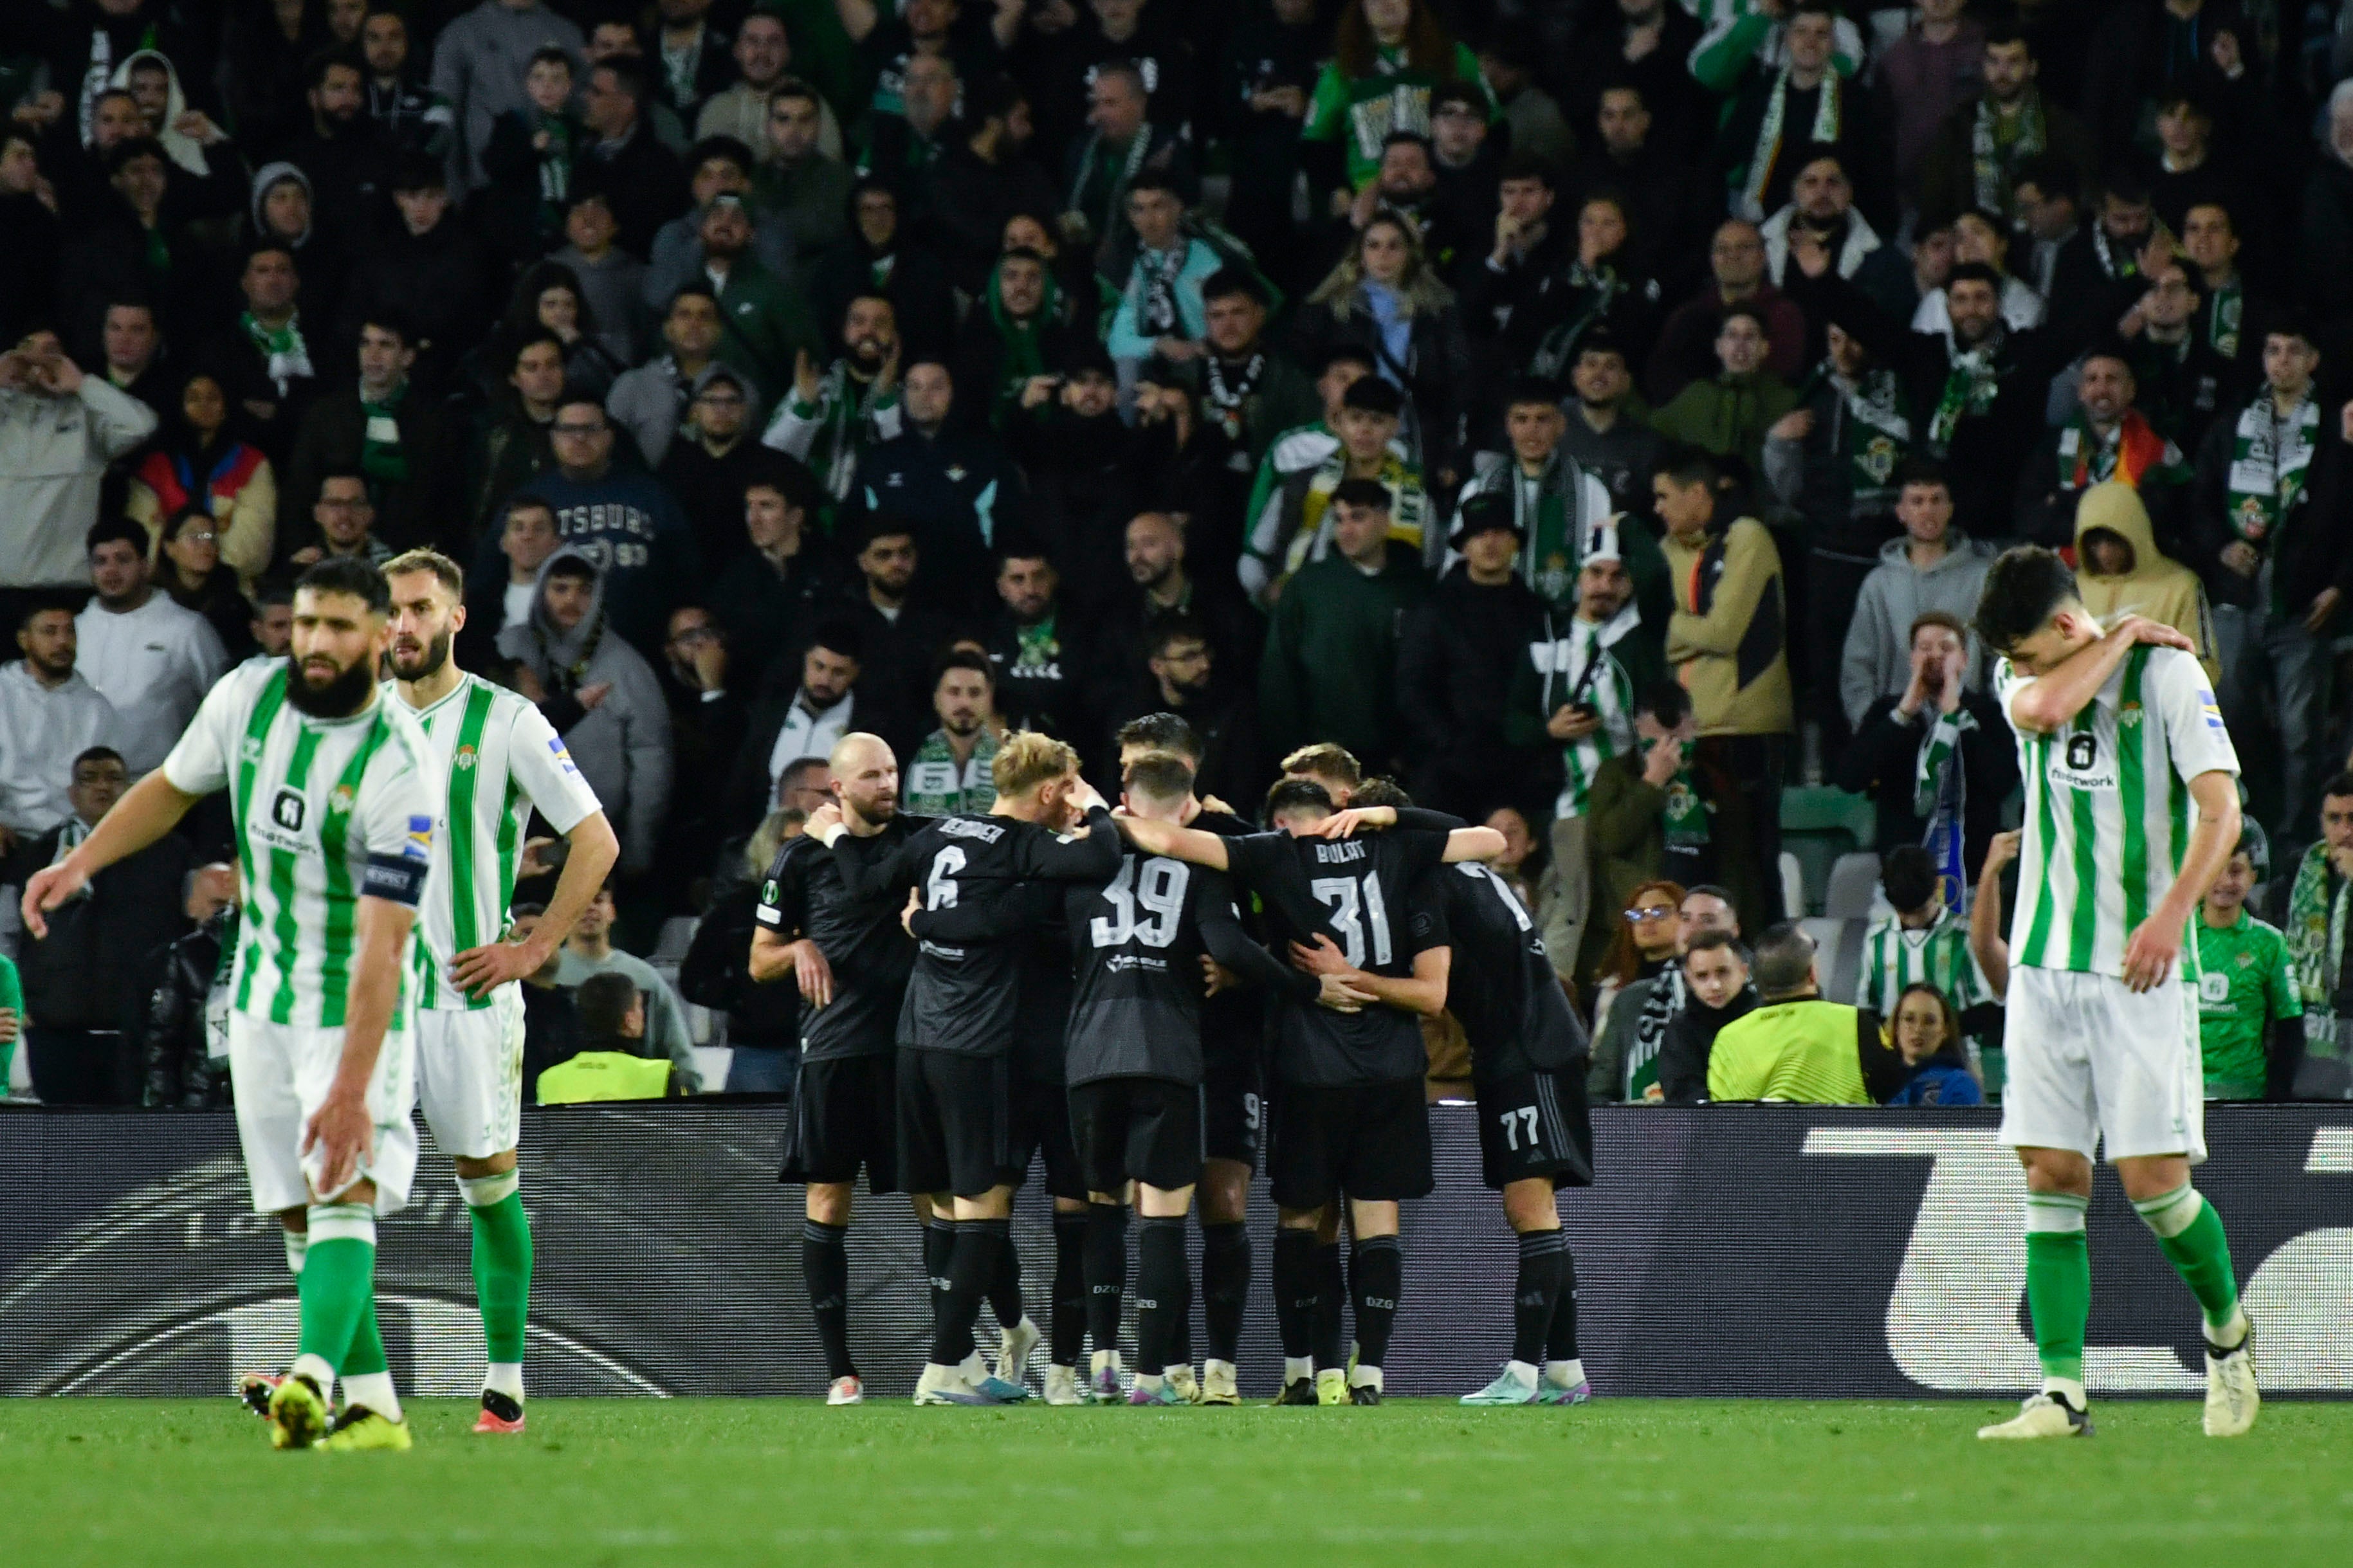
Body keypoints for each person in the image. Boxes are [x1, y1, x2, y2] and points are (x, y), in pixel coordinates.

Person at [24, 558, 435, 1451]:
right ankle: (377, 1415)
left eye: (336, 627)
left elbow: (383, 944)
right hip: (258, 996)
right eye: (305, 623)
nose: (314, 642)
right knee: (296, 1210)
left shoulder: (401, 769)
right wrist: (81, 860)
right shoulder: (247, 698)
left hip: (351, 1004)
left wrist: (353, 1086)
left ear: (379, 639)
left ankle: (311, 1378)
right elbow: (174, 785)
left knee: (342, 1190)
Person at [1970, 543, 2257, 1441]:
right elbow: (2048, 704)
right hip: (2044, 964)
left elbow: (2222, 811)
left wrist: (2173, 913)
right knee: (2049, 1171)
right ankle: (2059, 1391)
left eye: (2026, 652)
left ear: (2061, 624)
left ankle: (2226, 1335)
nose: (2013, 672)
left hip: (2137, 967)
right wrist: (2121, 629)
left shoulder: (2170, 676)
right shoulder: (2028, 668)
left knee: (2153, 1187)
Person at [1117, 783, 1503, 1406]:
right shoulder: (1396, 851)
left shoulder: (1273, 853)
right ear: (1339, 818)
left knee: (1300, 1217)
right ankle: (1370, 1372)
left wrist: (1107, 815)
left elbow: (1165, 838)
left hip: (1309, 1066)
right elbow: (1492, 839)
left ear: (1277, 820)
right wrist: (1391, 815)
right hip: (1392, 1066)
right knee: (1377, 1218)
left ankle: (1299, 1371)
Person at [976, 752, 1309, 1405]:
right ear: (1185, 803)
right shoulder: (1199, 864)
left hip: (1090, 1056)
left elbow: (1021, 927)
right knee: (1162, 1216)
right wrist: (1307, 983)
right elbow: (1233, 947)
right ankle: (1151, 1379)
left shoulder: (1078, 860)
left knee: (1102, 1207)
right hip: (1169, 1055)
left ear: (1124, 793)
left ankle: (1102, 1362)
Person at [803, 732, 1121, 1407]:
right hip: (977, 1048)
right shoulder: (1025, 848)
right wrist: (1095, 808)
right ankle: (945, 1365)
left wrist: (834, 837)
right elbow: (1103, 854)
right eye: (1067, 784)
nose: (1072, 795)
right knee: (981, 1206)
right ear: (1047, 790)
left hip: (913, 1042)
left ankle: (974, 1362)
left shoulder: (939, 828)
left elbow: (862, 883)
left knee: (946, 1207)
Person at [381, 550, 620, 1433]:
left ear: (455, 618)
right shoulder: (346, 722)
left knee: (485, 1182)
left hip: (464, 994)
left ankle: (505, 1382)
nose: (401, 625)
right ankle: (346, 1378)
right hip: (369, 996)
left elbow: (594, 841)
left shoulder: (506, 719)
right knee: (333, 1189)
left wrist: (536, 945)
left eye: (418, 608)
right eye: (390, 611)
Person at [749, 732, 922, 1404]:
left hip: (912, 1049)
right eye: (872, 774)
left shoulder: (919, 843)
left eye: (893, 769)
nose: (887, 783)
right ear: (839, 789)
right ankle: (841, 1370)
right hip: (833, 1051)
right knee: (827, 1199)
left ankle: (953, 1356)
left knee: (933, 1198)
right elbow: (758, 959)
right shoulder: (796, 859)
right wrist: (797, 948)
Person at [1430, 828, 1600, 1407]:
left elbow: (1429, 992)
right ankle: (1564, 1371)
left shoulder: (1435, 887)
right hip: (1527, 1047)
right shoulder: (1474, 876)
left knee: (1529, 1208)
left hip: (1528, 1050)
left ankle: (1523, 1373)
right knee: (1539, 1210)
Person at [2191, 325, 2350, 840]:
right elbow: (2199, 501)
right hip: (2237, 600)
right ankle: (2235, 829)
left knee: (2301, 735)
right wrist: (2220, 546)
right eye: (2272, 350)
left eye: (2294, 351)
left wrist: (2342, 586)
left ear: (2314, 360)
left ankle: (2297, 837)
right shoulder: (2234, 423)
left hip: (2304, 605)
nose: (2281, 361)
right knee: (2229, 718)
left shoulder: (2335, 430)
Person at [1504, 526, 1663, 981]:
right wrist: (1548, 729)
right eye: (1595, 573)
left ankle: (1619, 1003)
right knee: (1568, 920)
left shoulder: (1641, 642)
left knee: (1623, 916)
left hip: (1625, 807)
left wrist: (1629, 522)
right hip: (1566, 806)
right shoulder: (1547, 638)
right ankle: (1558, 1011)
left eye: (1617, 576)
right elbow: (1512, 721)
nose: (1604, 586)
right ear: (1578, 577)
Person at [3, 745, 191, 1106]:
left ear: (132, 789)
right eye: (89, 779)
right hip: (54, 1032)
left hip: (137, 1034)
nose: (102, 787)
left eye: (114, 778)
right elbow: (8, 935)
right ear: (72, 794)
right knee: (57, 1145)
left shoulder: (172, 853)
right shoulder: (38, 854)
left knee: (131, 1146)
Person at [1654, 447, 1790, 919]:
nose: (1658, 508)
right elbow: (1662, 632)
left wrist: (1673, 627)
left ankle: (1767, 972)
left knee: (1750, 869)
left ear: (1698, 493)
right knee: (1691, 872)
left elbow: (1723, 632)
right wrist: (1687, 631)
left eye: (1664, 496)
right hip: (1686, 735)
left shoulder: (1747, 537)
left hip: (1745, 730)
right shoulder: (1668, 551)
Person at [496, 551, 673, 880]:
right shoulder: (508, 649)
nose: (571, 601)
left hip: (597, 846)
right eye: (560, 589)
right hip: (508, 842)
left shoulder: (626, 666)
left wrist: (638, 850)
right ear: (541, 591)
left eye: (583, 591)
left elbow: (652, 762)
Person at [1258, 478, 1431, 778]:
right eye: (1339, 519)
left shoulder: (1417, 588)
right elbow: (1279, 675)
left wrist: (1412, 753)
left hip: (1398, 763)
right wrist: (1291, 752)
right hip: (1319, 760)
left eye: (1358, 517)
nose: (1346, 529)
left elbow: (1430, 677)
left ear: (1385, 521)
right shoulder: (1308, 587)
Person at [511, 396, 704, 659]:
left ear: (609, 437)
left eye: (590, 429)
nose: (580, 439)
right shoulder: (527, 503)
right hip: (547, 654)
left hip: (642, 649)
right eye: (569, 430)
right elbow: (492, 580)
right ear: (553, 438)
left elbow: (689, 575)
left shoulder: (651, 495)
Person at [1834, 610, 2017, 882]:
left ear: (1965, 660)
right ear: (1912, 659)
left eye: (1946, 648)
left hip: (1970, 874)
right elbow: (1850, 778)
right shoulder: (1886, 712)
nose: (1935, 656)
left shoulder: (1988, 714)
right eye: (1925, 648)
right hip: (1902, 877)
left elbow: (2001, 781)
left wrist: (1957, 716)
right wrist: (1903, 714)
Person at [1396, 494, 1547, 816]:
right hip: (1452, 774)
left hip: (1523, 771)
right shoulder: (1435, 610)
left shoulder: (1538, 612)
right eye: (1479, 534)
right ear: (1463, 547)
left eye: (1499, 533)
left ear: (1515, 543)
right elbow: (1412, 688)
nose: (1489, 543)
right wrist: (1450, 743)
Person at [847, 361, 1023, 611]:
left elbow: (1010, 534)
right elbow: (853, 531)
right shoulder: (879, 460)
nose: (924, 396)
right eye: (915, 387)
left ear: (955, 392)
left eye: (936, 387)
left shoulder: (986, 457)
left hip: (970, 603)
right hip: (898, 605)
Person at [0, 331, 158, 596]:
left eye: (50, 352)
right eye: (29, 351)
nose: (38, 360)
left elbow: (141, 425)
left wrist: (82, 385)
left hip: (69, 586)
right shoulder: (5, 413)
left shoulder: (87, 418)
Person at [1840, 465, 1992, 733]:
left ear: (1950, 508)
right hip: (1896, 727)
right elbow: (1858, 665)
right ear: (1901, 512)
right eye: (1917, 501)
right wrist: (1871, 727)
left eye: (1936, 500)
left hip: (1967, 728)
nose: (1927, 510)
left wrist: (1992, 725)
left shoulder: (1982, 579)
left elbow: (1999, 657)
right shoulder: (1879, 585)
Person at [74, 519, 228, 778]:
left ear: (145, 565)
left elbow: (222, 707)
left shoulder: (188, 629)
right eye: (101, 562)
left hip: (159, 783)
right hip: (82, 789)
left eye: (123, 560)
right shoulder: (73, 630)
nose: (111, 571)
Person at [2015, 344, 2186, 549]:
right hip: (2064, 568)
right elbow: (2029, 520)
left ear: (2131, 390)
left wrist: (2063, 500)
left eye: (2112, 380)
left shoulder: (2158, 448)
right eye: (2092, 380)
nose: (2102, 390)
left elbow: (2170, 518)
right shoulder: (2052, 446)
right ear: (2081, 392)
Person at [1705, 922, 1896, 1104]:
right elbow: (1894, 1091)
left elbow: (1721, 1116)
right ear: (1812, 973)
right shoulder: (1856, 1023)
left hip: (1760, 1139)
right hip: (1842, 1138)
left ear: (1758, 980)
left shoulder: (1728, 1038)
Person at [127, 369, 279, 592]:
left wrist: (203, 567)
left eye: (213, 398)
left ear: (226, 406)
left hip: (232, 592)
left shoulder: (251, 463)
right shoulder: (155, 467)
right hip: (162, 590)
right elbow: (142, 541)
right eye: (194, 398)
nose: (204, 405)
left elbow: (254, 542)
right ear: (180, 405)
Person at [553, 882, 701, 1093]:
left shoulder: (645, 978)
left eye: (598, 900)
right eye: (580, 900)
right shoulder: (546, 975)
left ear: (612, 911)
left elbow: (679, 1053)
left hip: (637, 1101)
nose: (590, 908)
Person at [2071, 482, 2220, 684]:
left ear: (2136, 534)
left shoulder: (2179, 586)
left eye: (2114, 541)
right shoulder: (2070, 591)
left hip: (2157, 709)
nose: (2104, 553)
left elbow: (2205, 666)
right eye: (2095, 543)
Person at [0, 604, 122, 850]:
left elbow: (108, 783)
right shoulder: (4, 691)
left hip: (75, 838)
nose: (62, 641)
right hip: (9, 831)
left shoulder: (96, 708)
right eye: (50, 632)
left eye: (69, 632)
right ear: (24, 640)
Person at [2193, 834, 2302, 1103]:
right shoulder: (2175, 936)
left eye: (2236, 871)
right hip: (2180, 1094)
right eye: (2215, 868)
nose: (2224, 881)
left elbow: (2290, 1025)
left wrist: (2277, 1098)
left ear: (2253, 877)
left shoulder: (2268, 943)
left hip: (2245, 1097)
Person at [2282, 774, 2353, 1099]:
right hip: (2314, 1040)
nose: (2345, 831)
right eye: (2334, 819)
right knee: (2323, 1147)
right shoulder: (2300, 874)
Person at [1655, 928, 1759, 1104]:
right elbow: (1682, 1096)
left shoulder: (1766, 1018)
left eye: (1723, 972)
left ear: (1743, 972)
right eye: (1702, 976)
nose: (1715, 985)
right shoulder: (1680, 1030)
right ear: (1688, 979)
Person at [902, 652, 1003, 817]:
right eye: (954, 692)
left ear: (990, 699)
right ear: (936, 699)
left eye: (975, 693)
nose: (965, 703)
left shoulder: (1009, 759)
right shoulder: (908, 754)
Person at [1883, 983, 1984, 1106]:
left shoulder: (1959, 1084)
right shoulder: (1878, 1081)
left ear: (1945, 1030)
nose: (1918, 1029)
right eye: (1909, 1019)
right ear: (1896, 1026)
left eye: (1929, 1021)